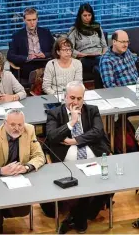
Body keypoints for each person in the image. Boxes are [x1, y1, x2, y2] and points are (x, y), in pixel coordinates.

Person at [45, 81, 111, 233]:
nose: (75, 102)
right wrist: (71, 122)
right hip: (68, 161)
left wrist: (76, 140)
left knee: (110, 183)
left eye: (79, 98)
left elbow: (98, 131)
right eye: (72, 98)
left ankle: (76, 216)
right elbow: (52, 136)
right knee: (78, 183)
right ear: (65, 97)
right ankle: (80, 218)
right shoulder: (54, 114)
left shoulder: (92, 110)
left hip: (92, 156)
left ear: (84, 98)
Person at [0, 109, 45, 233]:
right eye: (12, 124)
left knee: (22, 210)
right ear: (4, 123)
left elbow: (39, 156)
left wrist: (26, 167)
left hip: (19, 179)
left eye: (20, 125)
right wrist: (1, 171)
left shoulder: (30, 130)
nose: (16, 128)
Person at [7, 7, 55, 87]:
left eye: (34, 19)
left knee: (49, 68)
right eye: (29, 20)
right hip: (28, 64)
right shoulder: (17, 35)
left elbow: (55, 50)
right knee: (35, 71)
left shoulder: (46, 32)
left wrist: (45, 55)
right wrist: (27, 57)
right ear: (24, 20)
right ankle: (38, 80)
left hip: (44, 61)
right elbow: (10, 56)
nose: (32, 23)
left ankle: (38, 81)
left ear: (37, 19)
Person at [67, 3, 107, 81]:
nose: (87, 18)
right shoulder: (74, 30)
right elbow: (70, 49)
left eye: (89, 15)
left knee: (104, 60)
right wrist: (83, 54)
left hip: (99, 55)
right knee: (97, 62)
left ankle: (98, 71)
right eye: (85, 15)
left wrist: (104, 54)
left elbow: (104, 45)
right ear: (80, 16)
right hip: (84, 57)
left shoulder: (97, 27)